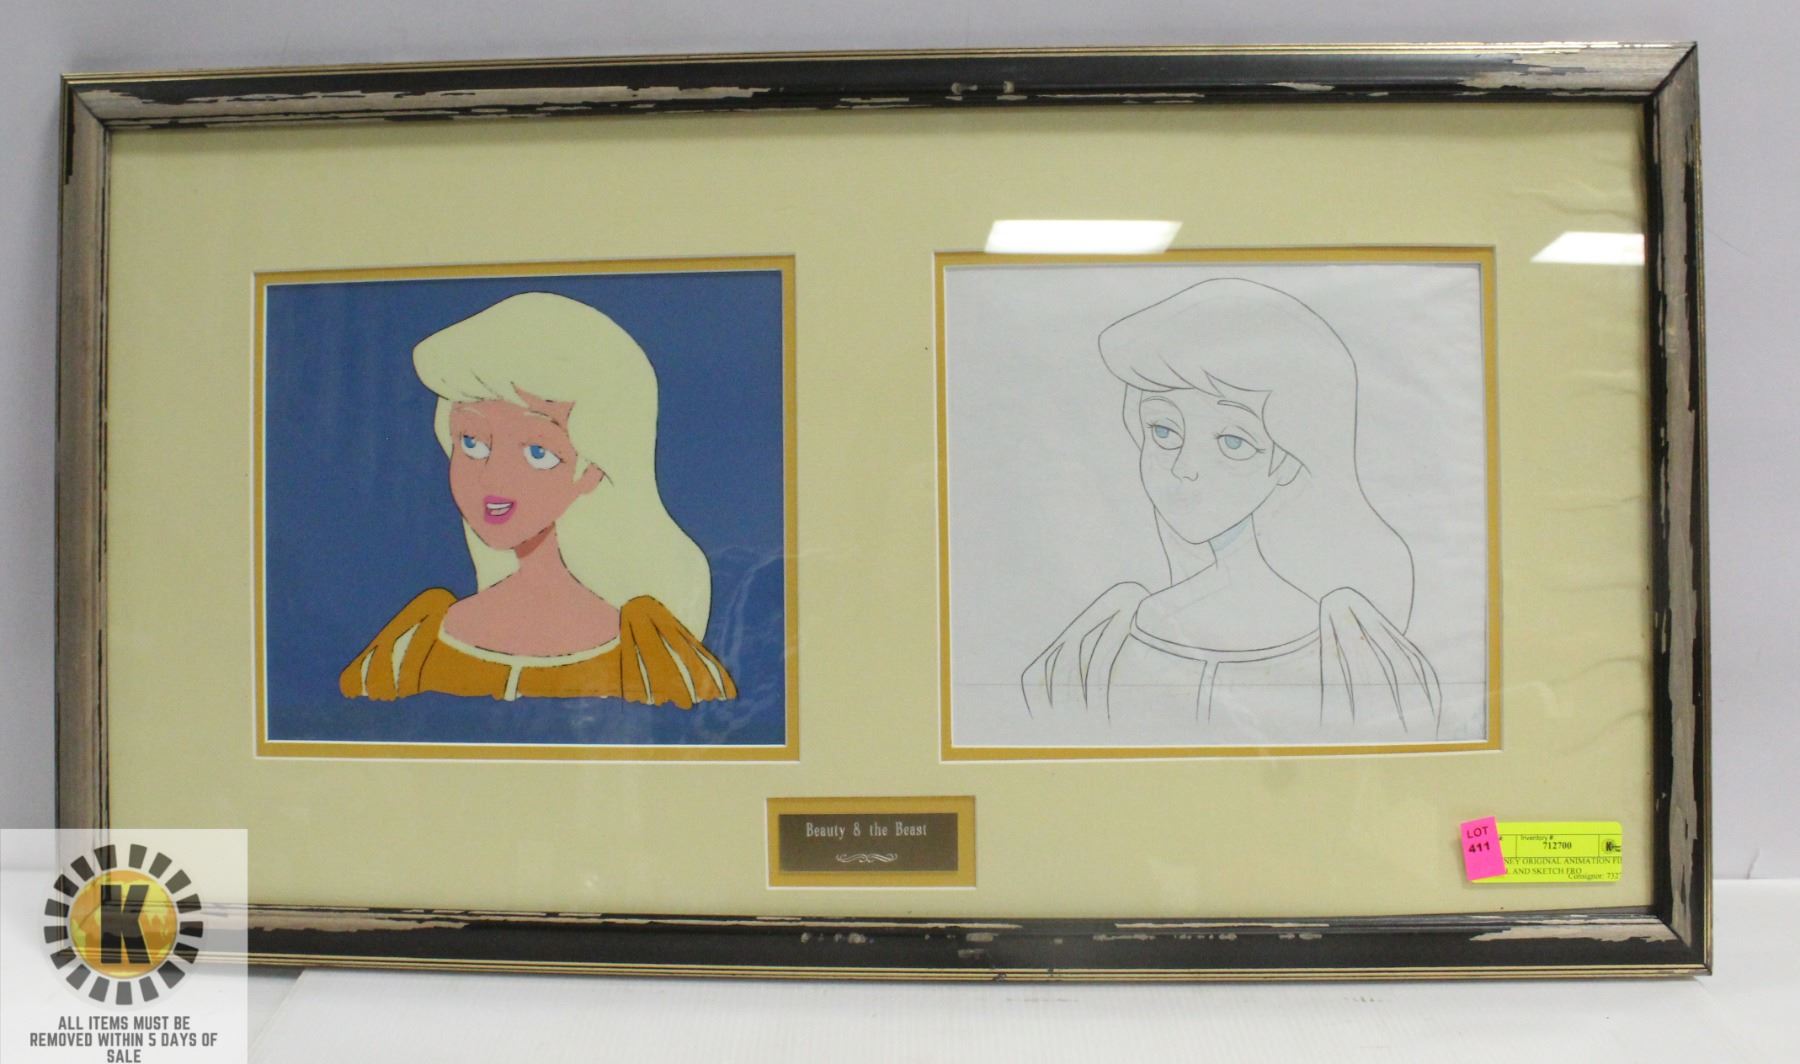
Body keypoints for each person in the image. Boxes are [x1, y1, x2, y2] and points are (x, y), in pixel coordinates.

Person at [1021, 278, 1442, 742]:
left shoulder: (1355, 656)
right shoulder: (1098, 642)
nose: (1185, 467)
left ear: (1287, 459)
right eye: (1163, 430)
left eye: (1232, 441)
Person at [340, 292, 736, 707]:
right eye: (472, 442)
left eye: (537, 452)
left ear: (591, 470)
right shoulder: (411, 647)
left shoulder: (650, 659)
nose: (494, 478)